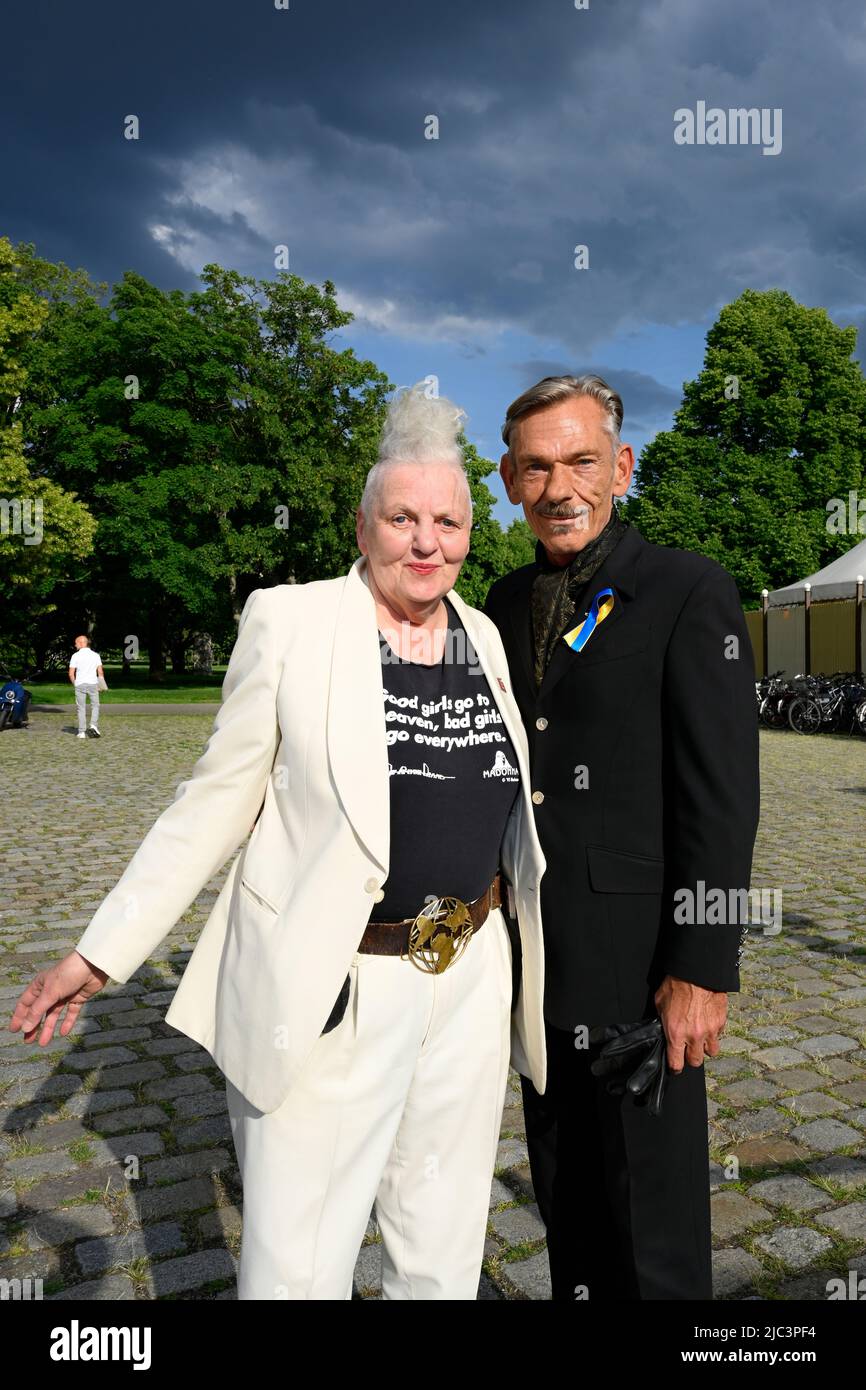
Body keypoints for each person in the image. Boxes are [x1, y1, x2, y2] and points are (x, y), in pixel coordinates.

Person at [9, 384, 547, 1301]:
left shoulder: (484, 633)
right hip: (333, 982)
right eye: (403, 518)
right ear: (361, 524)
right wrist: (100, 953)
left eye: (449, 522)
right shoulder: (291, 620)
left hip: (467, 975)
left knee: (444, 1241)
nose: (428, 543)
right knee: (299, 1259)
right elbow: (212, 802)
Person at [484, 373, 760, 1301]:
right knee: (570, 1204)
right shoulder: (502, 596)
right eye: (536, 467)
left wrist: (704, 966)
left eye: (581, 460)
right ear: (511, 482)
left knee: (656, 1227)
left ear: (623, 468)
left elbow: (722, 797)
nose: (560, 486)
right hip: (534, 961)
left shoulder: (688, 590)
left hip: (647, 968)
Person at [68, 635, 104, 738]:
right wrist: (101, 685)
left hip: (80, 684)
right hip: (93, 683)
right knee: (95, 705)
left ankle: (82, 732)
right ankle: (93, 724)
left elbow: (71, 673)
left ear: (81, 643)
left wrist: (75, 684)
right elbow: (100, 672)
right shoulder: (95, 655)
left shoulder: (75, 656)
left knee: (81, 708)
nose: (75, 645)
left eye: (76, 643)